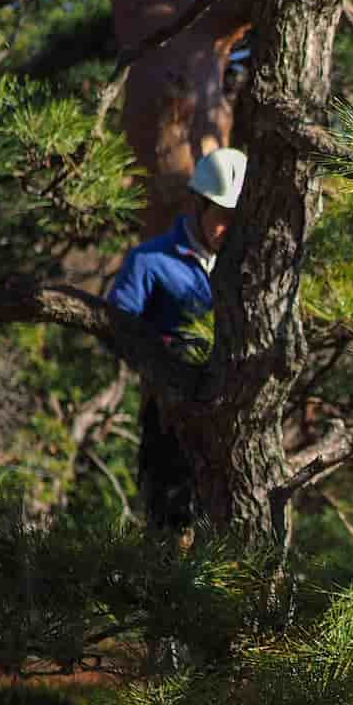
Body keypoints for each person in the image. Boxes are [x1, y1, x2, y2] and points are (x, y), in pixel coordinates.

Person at [107, 147, 248, 529]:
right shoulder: (149, 262)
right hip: (169, 420)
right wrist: (166, 354)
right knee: (170, 531)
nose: (226, 229)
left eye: (235, 219)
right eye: (221, 217)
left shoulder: (248, 269)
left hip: (232, 423)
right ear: (198, 205)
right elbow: (115, 332)